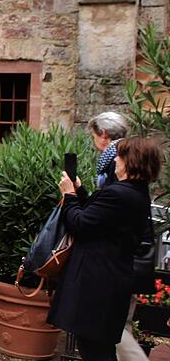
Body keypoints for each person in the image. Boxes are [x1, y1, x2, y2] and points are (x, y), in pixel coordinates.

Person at [48, 137, 161, 361]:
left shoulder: (118, 194)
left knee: (95, 350)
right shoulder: (134, 192)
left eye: (120, 155)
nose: (115, 160)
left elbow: (80, 224)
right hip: (108, 280)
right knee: (99, 348)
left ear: (131, 161)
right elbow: (100, 218)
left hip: (97, 284)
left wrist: (68, 195)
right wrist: (79, 191)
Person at [89, 111, 154, 361]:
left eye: (94, 136)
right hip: (127, 254)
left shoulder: (116, 159)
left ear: (103, 135)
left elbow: (110, 209)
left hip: (115, 259)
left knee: (115, 328)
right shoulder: (131, 154)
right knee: (120, 324)